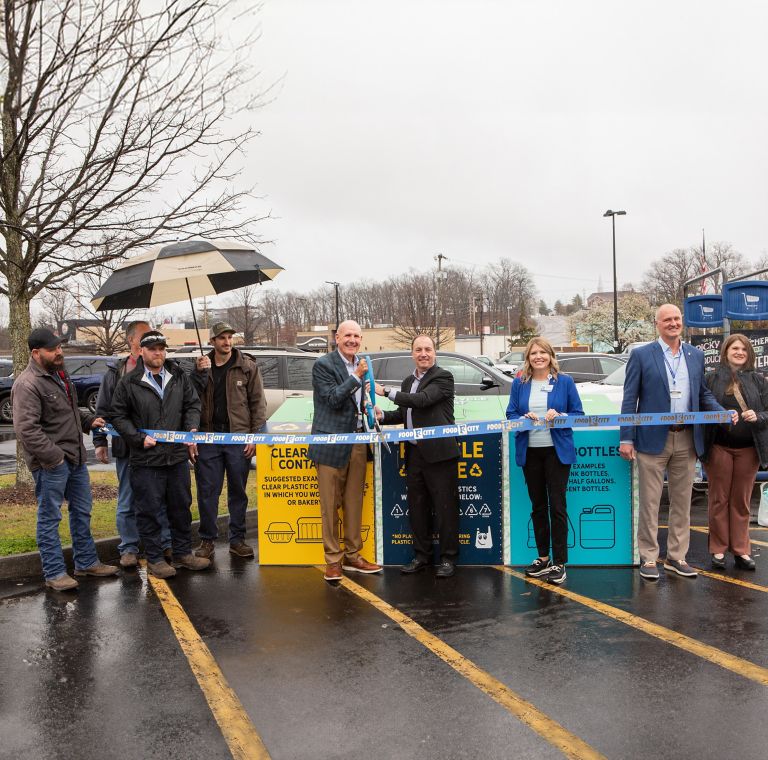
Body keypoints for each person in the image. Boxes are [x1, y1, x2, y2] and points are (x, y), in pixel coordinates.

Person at [620, 303, 735, 581]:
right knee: (650, 502)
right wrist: (626, 437)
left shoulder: (695, 355)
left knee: (682, 502)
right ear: (657, 324)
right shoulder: (641, 355)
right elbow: (630, 399)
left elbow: (702, 394)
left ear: (682, 321)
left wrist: (721, 412)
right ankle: (649, 557)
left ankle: (676, 556)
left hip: (686, 437)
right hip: (651, 439)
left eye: (676, 318)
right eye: (667, 320)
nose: (673, 323)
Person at [12, 328, 119, 591]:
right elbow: (27, 430)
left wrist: (89, 421)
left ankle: (86, 563)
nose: (59, 352)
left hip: (75, 458)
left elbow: (69, 411)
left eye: (60, 347)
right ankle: (54, 573)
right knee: (49, 519)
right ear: (36, 353)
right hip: (52, 465)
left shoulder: (59, 374)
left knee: (82, 511)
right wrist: (56, 458)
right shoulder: (27, 384)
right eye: (53, 349)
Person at [110, 330, 208, 579]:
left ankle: (183, 553)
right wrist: (138, 438)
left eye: (162, 349)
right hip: (146, 459)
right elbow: (118, 416)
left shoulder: (179, 376)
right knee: (149, 510)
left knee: (181, 507)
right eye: (152, 349)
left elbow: (192, 404)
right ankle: (155, 559)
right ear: (141, 351)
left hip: (176, 457)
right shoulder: (128, 382)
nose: (158, 353)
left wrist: (191, 428)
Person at [374, 334, 460, 578]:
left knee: (445, 508)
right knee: (417, 508)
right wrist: (383, 416)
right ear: (412, 354)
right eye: (419, 350)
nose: (423, 354)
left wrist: (385, 391)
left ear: (435, 353)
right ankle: (422, 557)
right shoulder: (408, 381)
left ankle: (448, 559)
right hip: (414, 454)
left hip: (440, 455)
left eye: (428, 349)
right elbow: (405, 413)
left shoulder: (443, 377)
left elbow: (422, 401)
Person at [306, 320, 382, 581]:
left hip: (357, 440)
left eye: (357, 336)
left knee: (354, 502)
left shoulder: (362, 363)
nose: (352, 340)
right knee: (330, 505)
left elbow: (358, 401)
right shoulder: (323, 365)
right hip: (330, 443)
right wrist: (356, 377)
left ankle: (353, 555)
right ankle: (333, 559)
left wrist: (370, 407)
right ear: (336, 338)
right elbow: (333, 399)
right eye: (347, 335)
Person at [93, 320, 173, 568]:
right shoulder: (115, 373)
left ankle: (164, 543)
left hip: (158, 448)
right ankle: (128, 547)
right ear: (131, 341)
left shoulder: (165, 369)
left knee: (160, 498)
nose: (151, 338)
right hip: (127, 449)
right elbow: (103, 410)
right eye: (144, 335)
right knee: (127, 499)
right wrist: (100, 441)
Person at [505, 337, 583, 585]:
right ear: (528, 358)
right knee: (538, 506)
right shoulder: (519, 383)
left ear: (551, 356)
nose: (538, 357)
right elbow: (510, 413)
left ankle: (559, 562)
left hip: (556, 452)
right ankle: (543, 557)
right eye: (533, 353)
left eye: (543, 353)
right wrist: (522, 417)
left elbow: (578, 414)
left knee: (557, 506)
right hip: (530, 452)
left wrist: (560, 415)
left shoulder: (565, 382)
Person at [190, 321, 267, 559]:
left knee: (238, 492)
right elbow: (190, 399)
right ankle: (207, 541)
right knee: (207, 492)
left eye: (229, 337)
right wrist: (198, 373)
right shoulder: (202, 365)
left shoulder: (247, 366)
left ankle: (237, 540)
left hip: (238, 438)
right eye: (221, 338)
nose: (227, 342)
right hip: (208, 439)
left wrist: (255, 437)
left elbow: (258, 404)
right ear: (212, 341)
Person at [702, 334, 768, 571]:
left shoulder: (759, 380)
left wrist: (757, 416)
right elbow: (701, 407)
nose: (739, 352)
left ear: (749, 353)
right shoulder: (710, 378)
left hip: (749, 449)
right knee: (719, 499)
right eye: (735, 348)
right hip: (718, 447)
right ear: (725, 351)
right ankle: (718, 549)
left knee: (741, 500)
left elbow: (767, 411)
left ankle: (741, 550)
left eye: (744, 349)